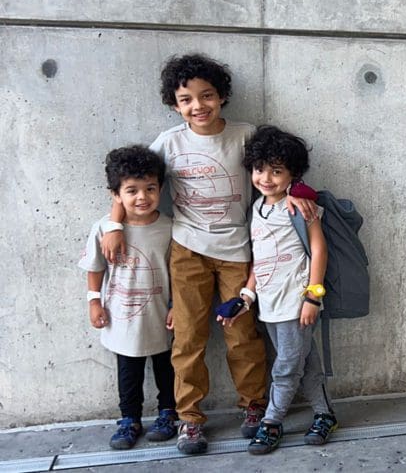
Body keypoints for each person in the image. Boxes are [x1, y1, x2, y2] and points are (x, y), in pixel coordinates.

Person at [100, 54, 317, 455]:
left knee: (242, 335)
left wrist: (300, 193)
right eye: (186, 99)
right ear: (174, 103)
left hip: (237, 251)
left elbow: (280, 164)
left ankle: (253, 406)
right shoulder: (168, 143)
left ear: (222, 97)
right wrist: (114, 225)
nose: (197, 106)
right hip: (187, 251)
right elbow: (131, 181)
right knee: (188, 337)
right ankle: (190, 420)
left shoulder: (244, 135)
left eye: (207, 96)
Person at [220, 125, 338, 454]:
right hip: (269, 305)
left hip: (297, 301)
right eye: (260, 169)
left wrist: (314, 296)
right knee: (305, 362)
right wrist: (247, 295)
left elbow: (319, 250)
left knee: (286, 366)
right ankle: (325, 414)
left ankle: (271, 422)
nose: (266, 178)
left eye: (277, 171)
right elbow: (261, 258)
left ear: (292, 174)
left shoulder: (299, 205)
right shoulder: (256, 210)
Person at [80, 145, 176, 450]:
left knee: (167, 366)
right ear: (116, 195)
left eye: (150, 188)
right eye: (131, 190)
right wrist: (94, 301)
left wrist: (177, 307)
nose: (142, 197)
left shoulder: (170, 229)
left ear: (161, 188)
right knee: (128, 371)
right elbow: (95, 267)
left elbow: (181, 273)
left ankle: (167, 412)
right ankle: (129, 418)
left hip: (162, 315)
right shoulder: (104, 229)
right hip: (121, 317)